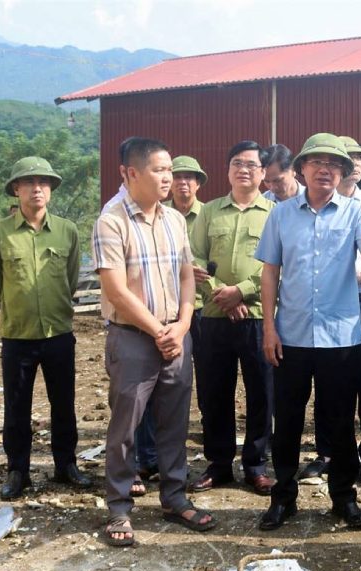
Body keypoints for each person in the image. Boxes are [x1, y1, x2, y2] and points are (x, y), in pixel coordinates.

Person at [255, 132, 361, 531]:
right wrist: (269, 329)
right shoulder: (280, 215)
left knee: (340, 422)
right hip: (291, 336)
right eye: (317, 162)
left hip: (340, 338)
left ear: (342, 172)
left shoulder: (355, 212)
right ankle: (284, 497)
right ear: (302, 170)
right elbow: (270, 272)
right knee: (288, 421)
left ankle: (343, 497)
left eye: (334, 164)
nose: (325, 169)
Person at [93, 137, 215, 547]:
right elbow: (114, 288)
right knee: (126, 425)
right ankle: (119, 507)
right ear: (130, 173)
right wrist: (158, 330)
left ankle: (174, 496)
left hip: (175, 335)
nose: (169, 178)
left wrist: (181, 326)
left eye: (170, 170)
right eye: (160, 170)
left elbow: (186, 275)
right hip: (133, 338)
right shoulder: (111, 221)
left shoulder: (173, 220)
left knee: (174, 420)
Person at [0, 156, 91, 500]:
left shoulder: (67, 230)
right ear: (16, 189)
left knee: (64, 403)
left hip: (59, 333)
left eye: (43, 183)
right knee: (17, 408)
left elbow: (71, 278)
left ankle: (66, 465)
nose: (37, 189)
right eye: (29, 183)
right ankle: (18, 471)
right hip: (18, 335)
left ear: (51, 190)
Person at [300, 136, 361, 485]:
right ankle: (327, 451)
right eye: (348, 158)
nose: (354, 164)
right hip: (324, 306)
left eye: (358, 158)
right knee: (327, 380)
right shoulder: (311, 205)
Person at [188, 141, 276, 496]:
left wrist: (240, 291)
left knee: (261, 392)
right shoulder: (209, 212)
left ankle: (256, 465)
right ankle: (219, 464)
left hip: (257, 317)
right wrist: (222, 295)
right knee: (213, 393)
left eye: (252, 165)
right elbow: (194, 258)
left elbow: (277, 266)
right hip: (212, 317)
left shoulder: (275, 213)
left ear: (263, 173)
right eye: (237, 163)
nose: (244, 170)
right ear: (227, 171)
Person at [132, 154, 209, 495]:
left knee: (185, 393)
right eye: (172, 175)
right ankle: (144, 460)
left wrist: (182, 322)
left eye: (188, 178)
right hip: (147, 320)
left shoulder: (203, 216)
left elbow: (201, 265)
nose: (179, 182)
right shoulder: (127, 218)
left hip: (195, 312)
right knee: (141, 397)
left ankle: (175, 469)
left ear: (198, 183)